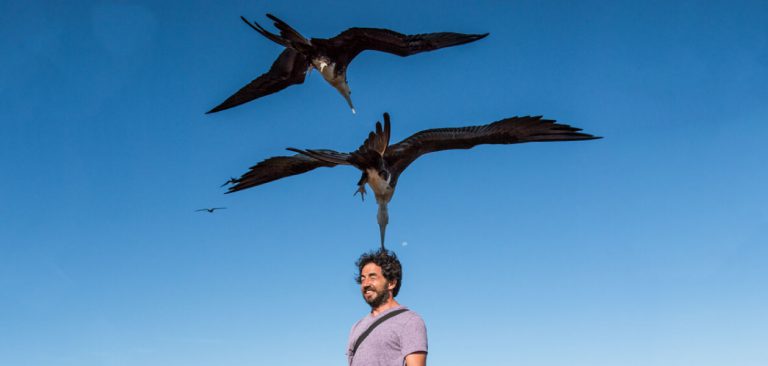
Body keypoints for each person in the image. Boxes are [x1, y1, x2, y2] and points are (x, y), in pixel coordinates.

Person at [346, 249, 427, 366]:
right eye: (363, 278)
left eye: (372, 277)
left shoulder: (410, 321)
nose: (366, 284)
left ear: (391, 283)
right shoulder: (357, 327)